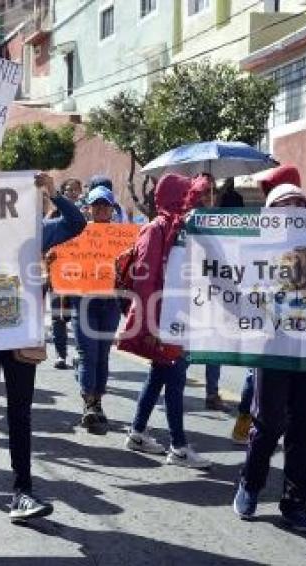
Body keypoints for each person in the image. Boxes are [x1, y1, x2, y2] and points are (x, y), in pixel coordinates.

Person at [0, 172, 86, 521]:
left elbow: (76, 224)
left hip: (21, 337)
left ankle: (23, 490)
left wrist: (53, 193)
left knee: (20, 415)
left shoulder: (36, 231)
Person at [233, 183, 306, 532]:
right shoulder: (258, 246)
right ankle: (250, 484)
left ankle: (296, 504)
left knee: (305, 427)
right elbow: (240, 290)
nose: (293, 211)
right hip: (271, 346)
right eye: (285, 206)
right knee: (269, 422)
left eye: (300, 206)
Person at [118, 174, 211, 469]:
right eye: (190, 197)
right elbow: (145, 281)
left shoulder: (179, 230)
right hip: (163, 321)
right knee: (174, 377)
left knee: (160, 375)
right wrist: (152, 326)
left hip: (175, 317)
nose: (195, 202)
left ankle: (137, 432)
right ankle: (179, 447)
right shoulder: (156, 229)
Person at [231, 164, 302, 442]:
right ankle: (253, 423)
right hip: (270, 315)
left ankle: (257, 421)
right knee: (258, 371)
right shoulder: (264, 225)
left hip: (297, 317)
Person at [72, 180, 121, 432]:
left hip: (110, 303)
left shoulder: (122, 236)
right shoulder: (76, 232)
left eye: (105, 205)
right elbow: (59, 257)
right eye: (96, 205)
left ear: (112, 209)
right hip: (83, 302)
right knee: (87, 353)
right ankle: (88, 403)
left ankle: (98, 401)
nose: (101, 209)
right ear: (87, 208)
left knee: (102, 354)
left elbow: (131, 267)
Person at [204, 179, 245, 411]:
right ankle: (209, 392)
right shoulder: (205, 226)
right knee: (200, 347)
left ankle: (212, 392)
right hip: (205, 296)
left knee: (215, 347)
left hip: (220, 296)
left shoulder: (237, 235)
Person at [46, 178, 82, 370]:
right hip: (58, 274)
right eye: (70, 190)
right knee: (58, 316)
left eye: (77, 190)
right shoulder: (53, 215)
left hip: (80, 277)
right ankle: (61, 354)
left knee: (79, 314)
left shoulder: (85, 216)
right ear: (63, 192)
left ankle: (80, 352)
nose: (74, 193)